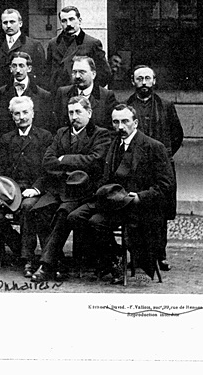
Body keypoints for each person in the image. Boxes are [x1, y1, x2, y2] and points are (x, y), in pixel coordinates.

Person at [70, 104, 174, 283]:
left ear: (136, 123)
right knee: (75, 217)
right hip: (111, 200)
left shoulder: (153, 147)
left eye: (125, 121)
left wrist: (140, 196)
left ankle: (115, 263)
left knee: (96, 223)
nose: (120, 127)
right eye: (116, 122)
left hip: (136, 205)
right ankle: (113, 255)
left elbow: (166, 185)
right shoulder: (113, 143)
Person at [29, 96, 111, 282]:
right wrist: (71, 168)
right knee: (39, 210)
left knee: (63, 214)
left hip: (84, 191)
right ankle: (59, 263)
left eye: (78, 112)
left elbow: (95, 162)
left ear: (89, 113)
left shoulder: (100, 134)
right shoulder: (61, 133)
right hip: (59, 188)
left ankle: (46, 265)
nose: (74, 117)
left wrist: (63, 159)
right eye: (71, 112)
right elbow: (47, 161)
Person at [0, 96, 53, 277]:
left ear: (33, 113)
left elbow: (48, 169)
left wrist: (36, 189)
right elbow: (0, 169)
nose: (21, 117)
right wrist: (1, 194)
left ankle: (28, 259)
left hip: (33, 191)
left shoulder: (44, 137)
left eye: (25, 112)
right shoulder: (6, 139)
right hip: (10, 192)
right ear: (12, 116)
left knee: (27, 207)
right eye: (17, 114)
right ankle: (18, 247)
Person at [125, 65, 184, 271]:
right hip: (135, 167)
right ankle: (137, 256)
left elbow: (177, 134)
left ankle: (160, 254)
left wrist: (163, 157)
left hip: (159, 167)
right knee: (135, 210)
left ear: (154, 81)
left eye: (147, 78)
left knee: (159, 212)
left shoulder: (165, 106)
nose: (144, 83)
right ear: (133, 82)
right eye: (139, 79)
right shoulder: (127, 106)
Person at [45, 6, 111, 92]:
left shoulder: (92, 43)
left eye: (71, 19)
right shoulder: (53, 43)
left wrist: (88, 91)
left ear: (79, 21)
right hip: (59, 96)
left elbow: (105, 74)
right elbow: (47, 73)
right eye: (64, 21)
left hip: (81, 95)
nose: (68, 24)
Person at [0, 51, 54, 134]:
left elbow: (45, 124)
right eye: (14, 66)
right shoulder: (0, 93)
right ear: (10, 68)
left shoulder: (43, 95)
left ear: (29, 68)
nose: (18, 70)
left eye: (21, 66)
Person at [54, 56, 117, 131]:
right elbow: (57, 126)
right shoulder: (63, 93)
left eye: (82, 72)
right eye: (74, 72)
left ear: (93, 74)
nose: (77, 76)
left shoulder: (106, 96)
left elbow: (110, 129)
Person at [0, 9, 46, 89]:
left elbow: (41, 74)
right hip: (1, 93)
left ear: (20, 23)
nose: (8, 26)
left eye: (12, 22)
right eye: (5, 22)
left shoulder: (34, 45)